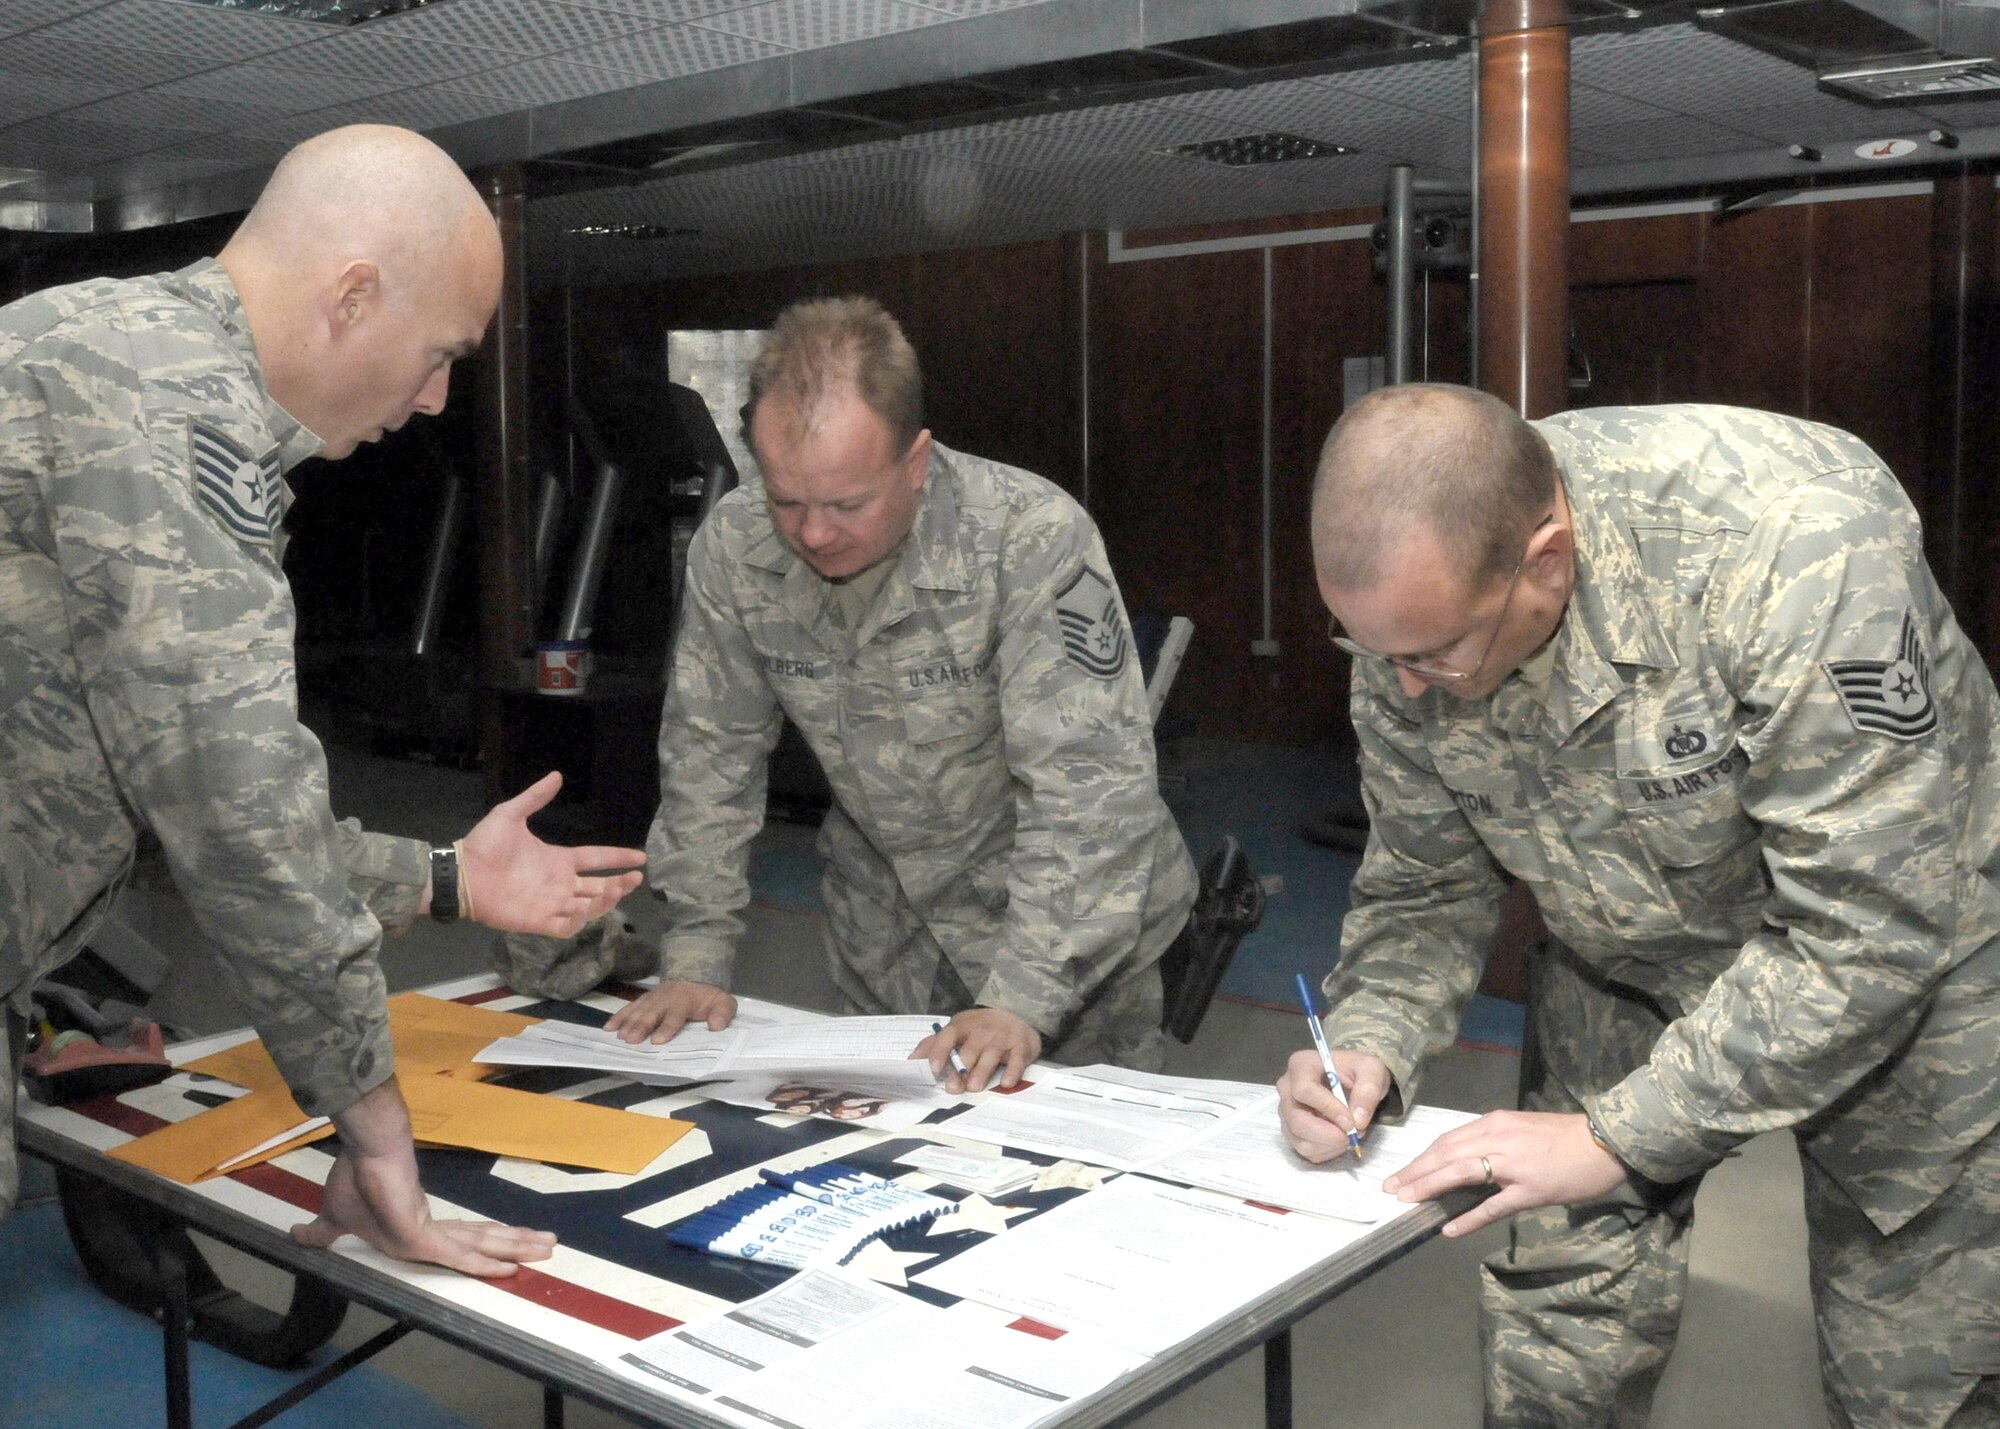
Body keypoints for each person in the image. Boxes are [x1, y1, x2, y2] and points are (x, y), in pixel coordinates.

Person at [1279, 383, 2000, 1428]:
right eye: (1368, 651)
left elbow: (1868, 924)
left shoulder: (1794, 545)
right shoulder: (1413, 635)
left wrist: (1619, 1135)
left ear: (1545, 561)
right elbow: (1425, 881)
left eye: (1434, 653)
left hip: (1907, 967)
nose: (1403, 689)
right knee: (1557, 1334)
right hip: (1617, 950)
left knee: (1920, 1367)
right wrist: (1368, 1041)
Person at [0, 124, 648, 1278]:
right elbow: (235, 810)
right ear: (352, 296)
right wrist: (374, 1125)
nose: (441, 397)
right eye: (441, 350)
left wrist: (445, 876)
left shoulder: (109, 352)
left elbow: (158, 795)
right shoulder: (164, 405)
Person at [593, 296, 1197, 1091]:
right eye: (786, 499)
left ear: (915, 461)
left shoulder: (1031, 536)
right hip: (887, 930)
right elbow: (711, 753)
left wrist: (1023, 997)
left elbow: (1090, 790)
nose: (812, 532)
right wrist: (698, 956)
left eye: (847, 504)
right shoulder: (734, 550)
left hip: (1068, 939)